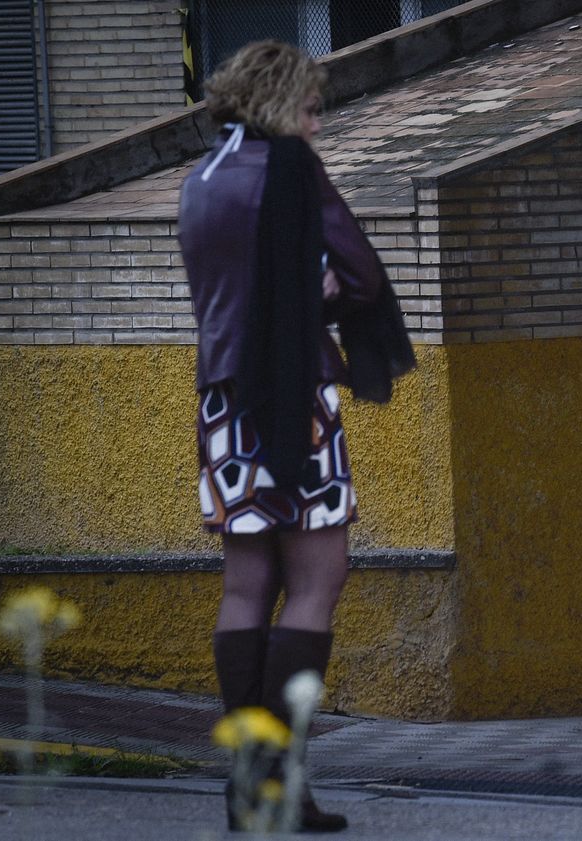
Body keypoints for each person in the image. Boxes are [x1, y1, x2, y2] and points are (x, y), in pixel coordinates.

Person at [179, 40, 414, 831]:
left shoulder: (200, 180)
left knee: (247, 583)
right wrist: (322, 287)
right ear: (281, 101)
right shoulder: (290, 171)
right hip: (296, 397)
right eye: (312, 107)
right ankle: (280, 775)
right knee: (318, 577)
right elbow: (361, 273)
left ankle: (251, 775)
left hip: (223, 400)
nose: (317, 124)